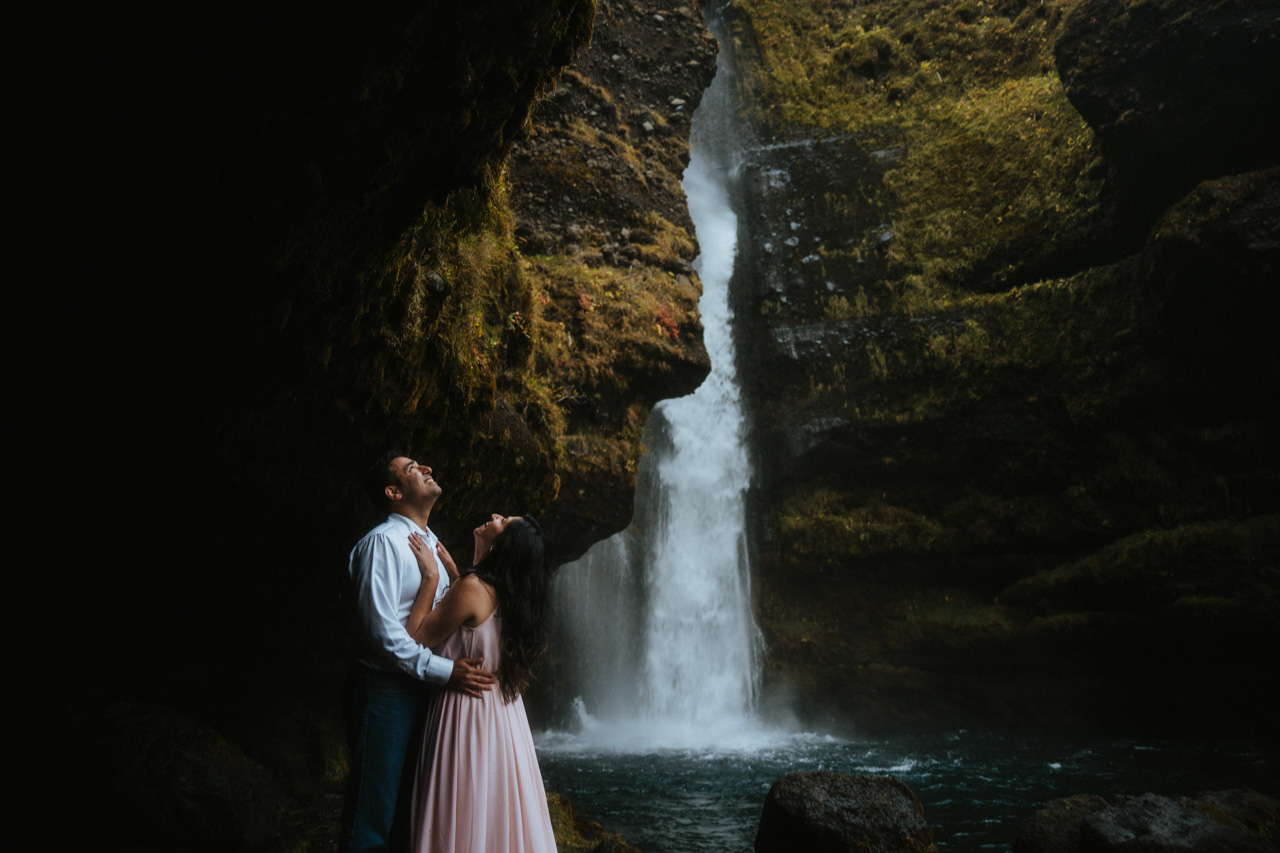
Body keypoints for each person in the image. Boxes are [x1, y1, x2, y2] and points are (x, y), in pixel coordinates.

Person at [340, 451, 497, 853]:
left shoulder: (432, 545)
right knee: (371, 815)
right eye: (412, 469)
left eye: (423, 464)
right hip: (384, 689)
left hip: (425, 691)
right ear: (393, 492)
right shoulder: (382, 544)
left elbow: (445, 619)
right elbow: (382, 634)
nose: (427, 467)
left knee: (412, 815)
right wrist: (447, 671)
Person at [404, 512, 559, 853]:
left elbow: (415, 637)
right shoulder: (512, 597)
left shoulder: (473, 589)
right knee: (492, 808)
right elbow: (479, 627)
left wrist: (431, 577)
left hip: (466, 712)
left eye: (504, 521)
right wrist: (462, 570)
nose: (495, 516)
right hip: (504, 716)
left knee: (462, 802)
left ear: (505, 545)